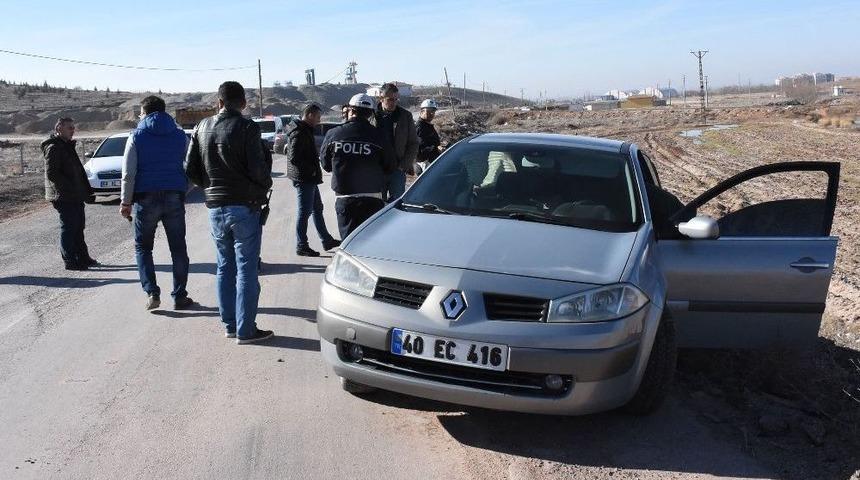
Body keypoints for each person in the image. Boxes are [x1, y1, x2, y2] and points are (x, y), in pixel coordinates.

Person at [185, 81, 274, 344]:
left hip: (216, 207)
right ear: (243, 103)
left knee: (224, 267)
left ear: (219, 102)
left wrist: (210, 187)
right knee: (246, 269)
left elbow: (190, 169)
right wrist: (262, 186)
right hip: (244, 206)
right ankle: (246, 331)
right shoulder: (247, 127)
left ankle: (230, 325)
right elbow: (259, 169)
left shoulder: (201, 127)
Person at [120, 96, 194, 311]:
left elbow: (128, 173)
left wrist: (125, 202)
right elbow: (190, 166)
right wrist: (183, 188)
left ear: (145, 112)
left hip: (145, 198)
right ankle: (180, 296)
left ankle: (152, 293)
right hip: (174, 196)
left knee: (143, 247)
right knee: (178, 248)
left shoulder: (136, 136)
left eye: (141, 113)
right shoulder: (180, 136)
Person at [321, 93, 394, 237]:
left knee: (349, 244)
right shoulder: (379, 135)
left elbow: (326, 165)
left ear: (351, 110)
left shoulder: (333, 134)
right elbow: (390, 166)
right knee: (369, 245)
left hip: (345, 198)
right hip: (373, 198)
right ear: (369, 114)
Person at [41, 117, 97, 271]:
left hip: (75, 195)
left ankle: (83, 257)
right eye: (69, 128)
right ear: (59, 128)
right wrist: (71, 187)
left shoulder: (66, 145)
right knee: (69, 228)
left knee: (78, 227)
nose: (73, 130)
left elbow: (76, 171)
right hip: (64, 196)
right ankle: (70, 261)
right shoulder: (54, 147)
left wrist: (84, 190)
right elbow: (53, 174)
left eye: (73, 127)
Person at [286, 103, 340, 257]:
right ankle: (301, 245)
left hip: (309, 178)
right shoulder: (299, 132)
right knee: (305, 212)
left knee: (317, 208)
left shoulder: (304, 129)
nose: (318, 120)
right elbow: (294, 158)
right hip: (304, 178)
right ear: (309, 114)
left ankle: (326, 240)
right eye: (317, 117)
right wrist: (310, 170)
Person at [374, 83, 418, 202]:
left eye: (396, 99)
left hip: (397, 171)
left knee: (396, 207)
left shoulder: (405, 116)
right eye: (390, 99)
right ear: (381, 98)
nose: (394, 102)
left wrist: (403, 166)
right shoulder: (372, 117)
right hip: (377, 171)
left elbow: (413, 143)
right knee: (377, 207)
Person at [415, 99, 442, 174]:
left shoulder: (427, 125)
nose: (432, 113)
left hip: (432, 162)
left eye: (433, 111)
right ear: (422, 112)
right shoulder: (420, 128)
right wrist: (436, 148)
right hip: (425, 165)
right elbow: (420, 151)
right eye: (429, 111)